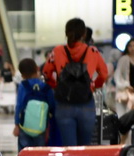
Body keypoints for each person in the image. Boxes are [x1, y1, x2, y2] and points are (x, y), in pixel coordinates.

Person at [41, 17, 109, 147]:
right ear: (84, 34)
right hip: (86, 103)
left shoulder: (57, 51)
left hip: (63, 104)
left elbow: (46, 73)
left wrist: (56, 86)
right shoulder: (92, 51)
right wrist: (93, 85)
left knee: (69, 147)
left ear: (66, 33)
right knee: (85, 147)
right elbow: (104, 74)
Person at [13, 57, 55, 150]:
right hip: (41, 128)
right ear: (37, 69)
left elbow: (19, 106)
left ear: (22, 74)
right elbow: (51, 107)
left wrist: (16, 125)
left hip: (24, 127)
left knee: (24, 153)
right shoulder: (46, 88)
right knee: (39, 153)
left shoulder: (23, 86)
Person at [112, 38, 134, 116]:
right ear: (127, 48)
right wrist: (126, 85)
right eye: (130, 46)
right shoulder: (124, 59)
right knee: (125, 115)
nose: (132, 48)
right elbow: (117, 75)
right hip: (126, 91)